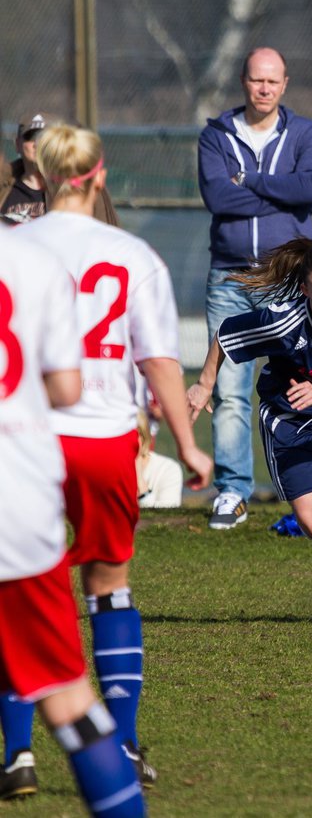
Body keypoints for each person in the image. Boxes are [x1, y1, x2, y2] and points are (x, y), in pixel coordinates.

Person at [3, 124, 213, 795]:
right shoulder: (133, 254)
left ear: (45, 172)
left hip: (28, 440)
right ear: (97, 176)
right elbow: (157, 362)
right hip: (103, 441)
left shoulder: (14, 246)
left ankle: (17, 754)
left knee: (19, 599)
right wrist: (185, 444)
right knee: (108, 584)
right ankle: (119, 744)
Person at [0, 226, 150, 815]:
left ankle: (17, 756)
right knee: (66, 693)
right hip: (16, 495)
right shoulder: (32, 262)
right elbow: (65, 387)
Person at [188, 240, 312, 624]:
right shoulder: (283, 321)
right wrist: (203, 383)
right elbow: (227, 335)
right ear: (305, 292)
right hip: (293, 421)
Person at [197, 46, 312, 530]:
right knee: (229, 389)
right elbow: (217, 197)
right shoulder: (216, 136)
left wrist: (250, 180)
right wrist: (278, 192)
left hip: (287, 277)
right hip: (230, 276)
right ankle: (232, 492)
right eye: (257, 80)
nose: (264, 88)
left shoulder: (306, 133)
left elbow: (311, 189)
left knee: (302, 383)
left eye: (273, 81)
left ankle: (306, 488)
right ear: (243, 81)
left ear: (285, 83)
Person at [1, 112, 118, 226]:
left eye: (45, 138)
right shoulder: (3, 187)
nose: (37, 143)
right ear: (17, 144)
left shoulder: (79, 188)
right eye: (30, 137)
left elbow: (105, 233)